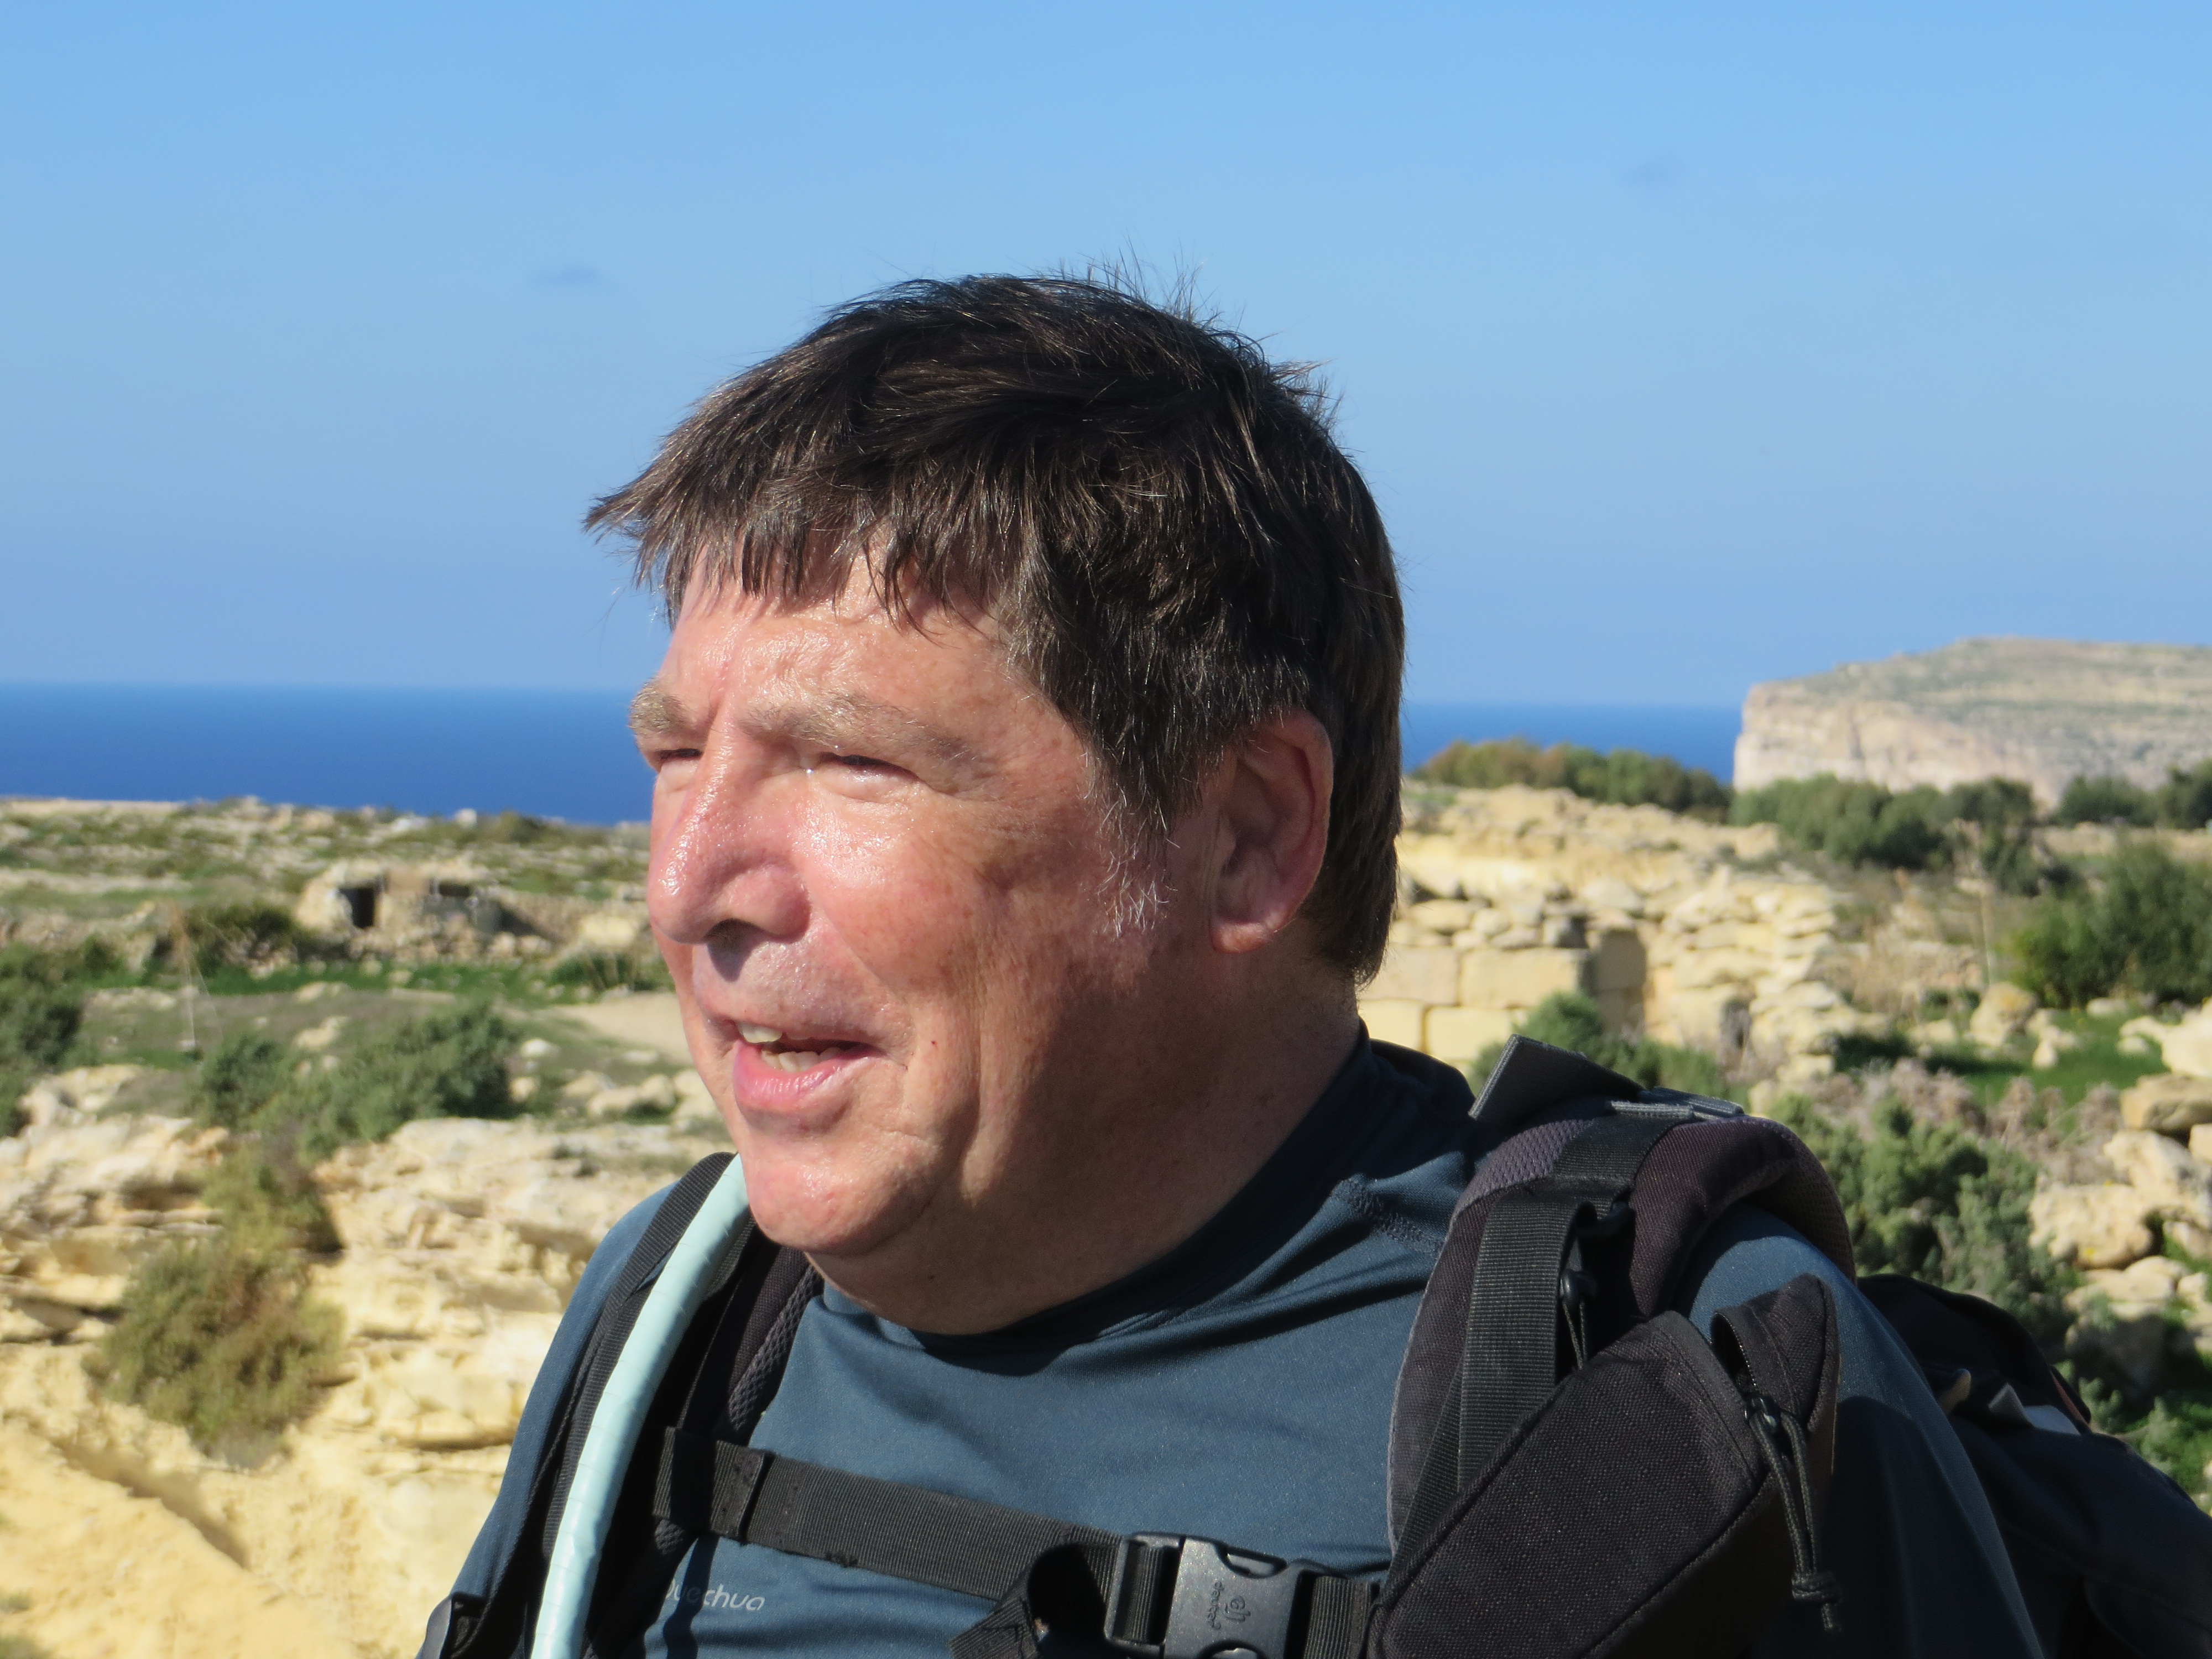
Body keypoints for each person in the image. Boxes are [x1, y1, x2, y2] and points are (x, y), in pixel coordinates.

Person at [445, 275, 2041, 1658]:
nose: (687, 889)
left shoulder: (1667, 1400)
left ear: (1248, 834)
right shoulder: (676, 1313)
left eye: (851, 763)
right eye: (677, 757)